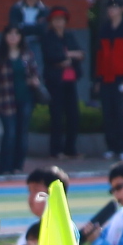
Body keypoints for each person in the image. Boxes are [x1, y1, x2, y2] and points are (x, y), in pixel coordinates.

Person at [92, 2, 123, 157]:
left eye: (115, 7)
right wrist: (98, 78)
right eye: (110, 7)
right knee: (107, 113)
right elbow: (100, 56)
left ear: (122, 9)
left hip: (121, 78)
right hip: (106, 78)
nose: (111, 10)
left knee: (121, 113)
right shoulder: (105, 29)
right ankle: (112, 147)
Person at [37, 8, 84, 159]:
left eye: (61, 19)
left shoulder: (69, 36)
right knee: (56, 115)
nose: (59, 22)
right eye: (56, 20)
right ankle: (56, 150)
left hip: (70, 79)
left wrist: (67, 56)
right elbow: (52, 56)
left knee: (73, 114)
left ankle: (71, 148)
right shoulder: (48, 37)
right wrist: (68, 55)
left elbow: (81, 53)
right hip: (55, 81)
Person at [0, 28, 36, 177]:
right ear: (5, 36)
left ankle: (18, 166)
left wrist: (34, 81)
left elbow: (34, 73)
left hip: (25, 98)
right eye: (10, 34)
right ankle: (4, 167)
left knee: (22, 134)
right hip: (6, 100)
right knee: (10, 133)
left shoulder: (27, 55)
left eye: (16, 34)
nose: (13, 37)